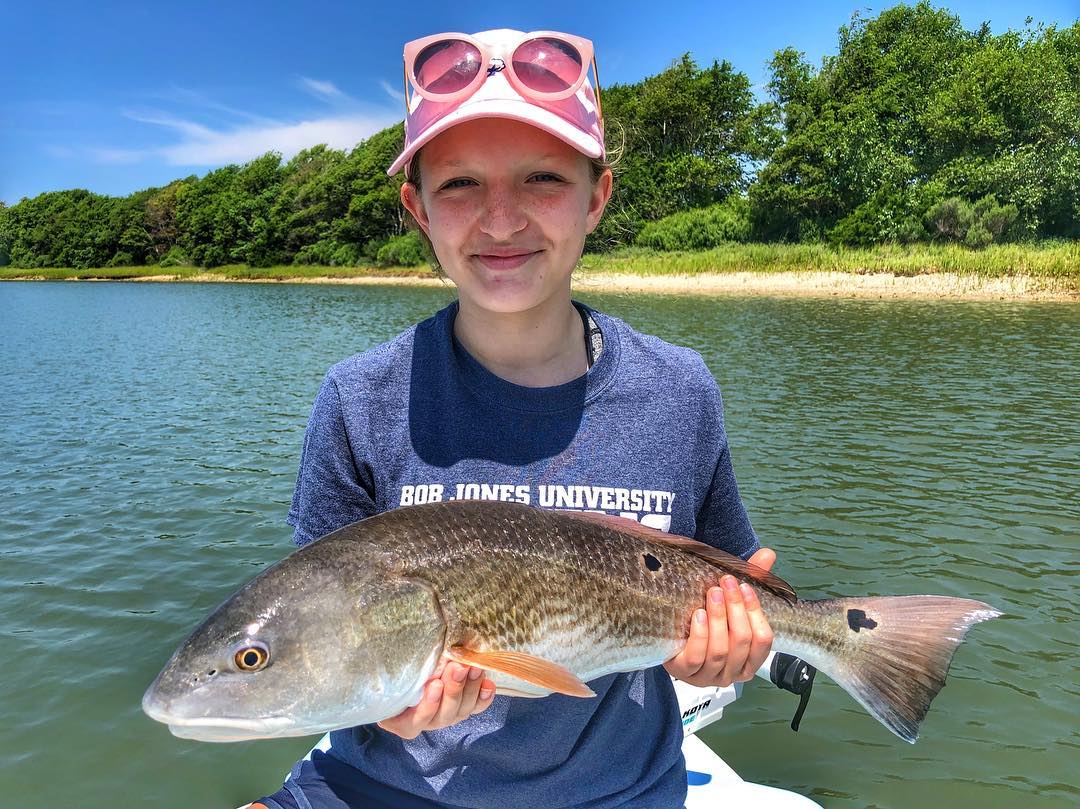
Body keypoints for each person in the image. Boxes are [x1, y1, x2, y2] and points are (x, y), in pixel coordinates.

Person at [251, 27, 775, 809]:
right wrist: (382, 707)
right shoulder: (358, 399)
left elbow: (731, 580)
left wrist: (724, 649)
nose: (500, 220)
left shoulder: (680, 387)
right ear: (417, 207)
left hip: (616, 792)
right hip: (377, 785)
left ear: (596, 197)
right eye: (459, 183)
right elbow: (319, 623)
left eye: (541, 178)